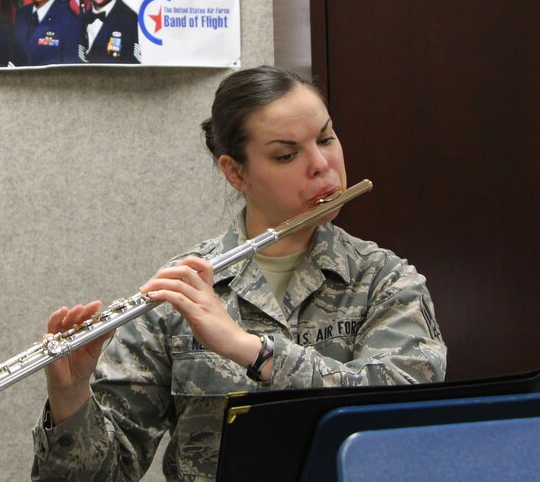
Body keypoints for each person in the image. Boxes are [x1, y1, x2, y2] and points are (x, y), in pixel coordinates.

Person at [31, 65, 446, 480]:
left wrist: (253, 351)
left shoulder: (385, 282)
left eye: (326, 138)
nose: (322, 165)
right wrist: (70, 398)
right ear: (235, 172)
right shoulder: (181, 295)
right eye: (286, 154)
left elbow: (402, 416)